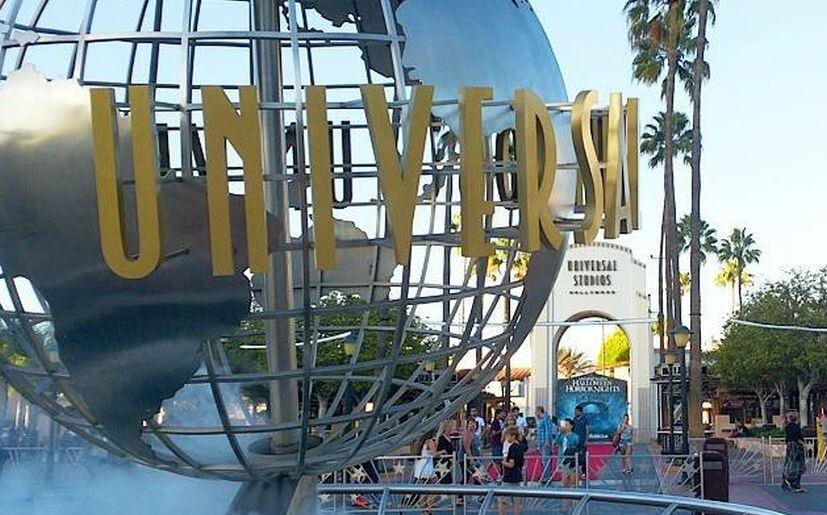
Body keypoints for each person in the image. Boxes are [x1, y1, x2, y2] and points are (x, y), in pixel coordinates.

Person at [498, 427, 525, 515]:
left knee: (502, 499)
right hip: (518, 475)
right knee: (516, 501)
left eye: (507, 436)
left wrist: (503, 462)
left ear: (513, 436)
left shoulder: (513, 447)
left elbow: (511, 464)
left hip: (510, 476)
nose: (506, 438)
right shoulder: (520, 447)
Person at [412, 433, 439, 514]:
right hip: (427, 470)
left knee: (423, 491)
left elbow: (427, 452)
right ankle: (428, 508)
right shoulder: (430, 441)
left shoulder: (420, 441)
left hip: (420, 469)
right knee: (434, 489)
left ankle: (424, 510)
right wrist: (442, 452)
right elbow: (435, 454)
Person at [782, 412, 806, 493]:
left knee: (791, 464)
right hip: (795, 448)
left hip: (792, 447)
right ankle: (792, 483)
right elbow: (796, 437)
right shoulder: (793, 426)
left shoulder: (788, 426)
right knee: (795, 465)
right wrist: (803, 444)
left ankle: (789, 482)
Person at [556, 418, 580, 488]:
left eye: (566, 424)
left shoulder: (575, 436)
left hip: (572, 461)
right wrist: (560, 432)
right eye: (564, 424)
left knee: (573, 481)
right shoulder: (561, 436)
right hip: (563, 460)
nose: (564, 426)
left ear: (571, 426)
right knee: (564, 480)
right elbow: (557, 442)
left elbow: (577, 447)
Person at [534, 406, 555, 481]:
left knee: (546, 459)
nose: (535, 413)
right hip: (541, 441)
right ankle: (544, 475)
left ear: (539, 411)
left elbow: (548, 430)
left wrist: (547, 441)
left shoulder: (546, 419)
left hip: (544, 442)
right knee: (543, 460)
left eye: (536, 411)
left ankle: (547, 476)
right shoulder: (540, 420)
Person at [459, 419, 481, 484]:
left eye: (474, 424)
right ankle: (460, 492)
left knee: (476, 476)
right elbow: (467, 447)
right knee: (469, 476)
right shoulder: (467, 433)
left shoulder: (474, 434)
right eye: (470, 423)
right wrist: (471, 458)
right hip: (466, 458)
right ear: (467, 425)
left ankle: (477, 492)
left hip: (474, 457)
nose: (472, 425)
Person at [573, 406, 589, 477]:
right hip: (575, 442)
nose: (575, 412)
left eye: (577, 411)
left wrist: (586, 440)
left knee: (583, 457)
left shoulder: (585, 420)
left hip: (582, 441)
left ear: (580, 412)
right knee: (575, 456)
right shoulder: (574, 419)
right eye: (575, 411)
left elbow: (587, 430)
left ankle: (584, 472)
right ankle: (576, 471)